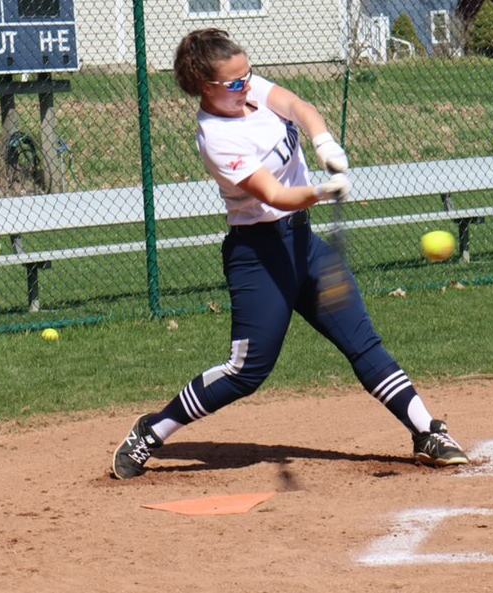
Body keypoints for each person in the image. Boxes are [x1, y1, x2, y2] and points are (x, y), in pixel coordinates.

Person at [111, 28, 469, 479]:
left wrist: (324, 143)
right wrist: (322, 189)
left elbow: (299, 108)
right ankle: (152, 430)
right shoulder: (217, 137)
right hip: (259, 257)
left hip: (304, 246)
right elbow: (276, 195)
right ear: (207, 87)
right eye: (235, 82)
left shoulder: (248, 89)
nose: (247, 86)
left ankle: (427, 431)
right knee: (247, 371)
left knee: (362, 342)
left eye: (248, 74)